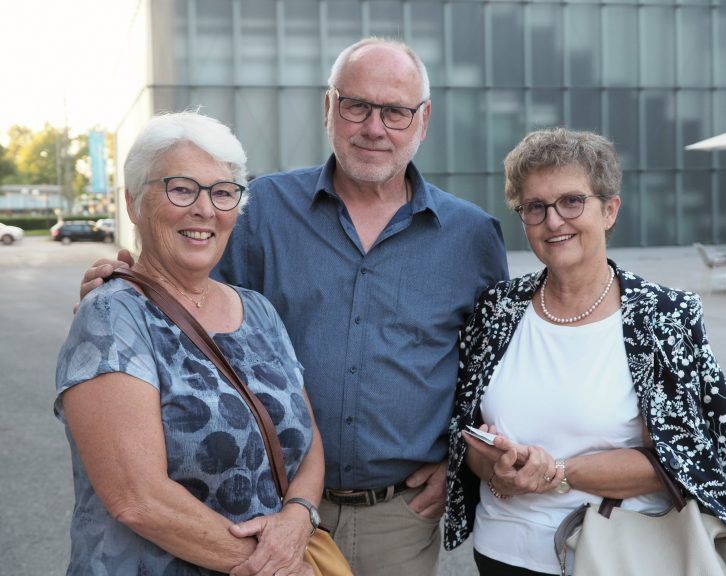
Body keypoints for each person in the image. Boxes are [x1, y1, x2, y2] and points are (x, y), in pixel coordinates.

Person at [78, 38, 509, 576]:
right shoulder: (260, 211)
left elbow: (491, 370)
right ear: (329, 108)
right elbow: (183, 293)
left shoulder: (471, 236)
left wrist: (460, 460)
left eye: (395, 111)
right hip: (262, 503)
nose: (375, 127)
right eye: (357, 106)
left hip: (399, 518)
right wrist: (124, 285)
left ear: (422, 120)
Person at [444, 127, 726, 575]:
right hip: (503, 554)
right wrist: (497, 466)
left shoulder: (662, 315)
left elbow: (679, 458)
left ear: (610, 210)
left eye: (571, 201)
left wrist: (557, 470)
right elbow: (468, 431)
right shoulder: (498, 308)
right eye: (535, 207)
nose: (553, 221)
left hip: (621, 556)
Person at [57, 111, 324, 576]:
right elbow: (138, 500)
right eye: (182, 188)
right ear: (134, 203)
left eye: (223, 193)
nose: (205, 209)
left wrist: (300, 514)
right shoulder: (113, 315)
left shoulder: (258, 310)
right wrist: (274, 568)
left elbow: (309, 439)